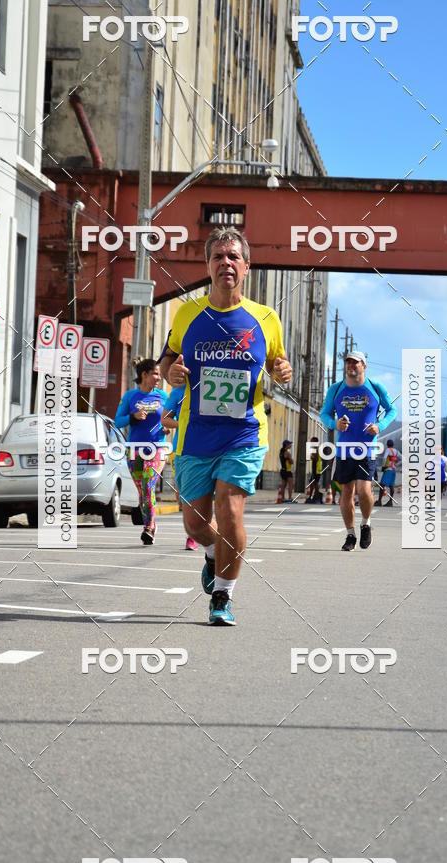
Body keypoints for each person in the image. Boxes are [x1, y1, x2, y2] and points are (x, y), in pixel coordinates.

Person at [159, 226, 291, 625]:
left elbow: (277, 364)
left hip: (244, 434)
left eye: (233, 257)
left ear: (246, 267)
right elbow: (166, 361)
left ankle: (222, 597)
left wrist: (283, 369)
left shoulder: (266, 319)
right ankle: (214, 552)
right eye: (218, 257)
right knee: (196, 523)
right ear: (208, 266)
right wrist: (172, 374)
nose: (226, 263)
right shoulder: (187, 314)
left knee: (230, 509)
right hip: (195, 434)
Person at [321, 351, 396, 550]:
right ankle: (350, 535)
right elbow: (325, 414)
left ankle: (366, 523)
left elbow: (392, 410)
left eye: (355, 363)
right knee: (346, 492)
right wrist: (334, 424)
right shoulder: (336, 389)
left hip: (367, 449)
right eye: (348, 362)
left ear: (364, 366)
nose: (351, 366)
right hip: (344, 450)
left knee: (364, 491)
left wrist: (379, 426)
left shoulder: (375, 388)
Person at [114, 358, 168, 545]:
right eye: (155, 374)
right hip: (134, 450)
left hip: (157, 448)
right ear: (144, 375)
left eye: (160, 375)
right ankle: (151, 523)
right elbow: (117, 421)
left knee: (148, 484)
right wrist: (133, 416)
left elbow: (171, 418)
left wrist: (167, 427)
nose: (159, 379)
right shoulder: (130, 397)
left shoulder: (163, 396)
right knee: (143, 490)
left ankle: (149, 528)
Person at [162, 385, 199, 550]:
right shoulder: (178, 392)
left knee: (197, 493)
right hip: (179, 448)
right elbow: (165, 419)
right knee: (181, 495)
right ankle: (194, 530)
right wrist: (182, 424)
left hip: (205, 449)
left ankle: (193, 535)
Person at [375, 438, 401, 506]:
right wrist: (396, 465)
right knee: (391, 486)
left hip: (388, 469)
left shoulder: (388, 450)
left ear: (387, 445)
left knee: (382, 485)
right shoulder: (396, 451)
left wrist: (383, 466)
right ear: (393, 444)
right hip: (393, 470)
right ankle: (390, 502)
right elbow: (403, 459)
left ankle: (379, 501)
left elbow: (384, 458)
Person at [305, 436, 323, 503]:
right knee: (312, 483)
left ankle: (317, 497)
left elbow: (316, 458)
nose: (310, 442)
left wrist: (311, 456)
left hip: (316, 469)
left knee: (314, 483)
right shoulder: (315, 449)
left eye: (312, 441)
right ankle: (312, 497)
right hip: (316, 468)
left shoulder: (316, 449)